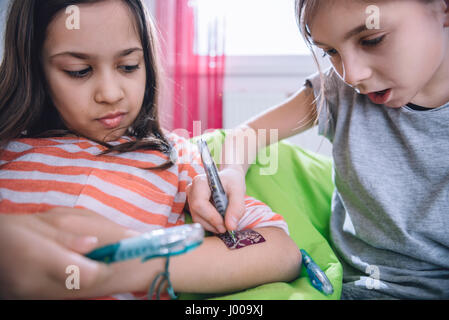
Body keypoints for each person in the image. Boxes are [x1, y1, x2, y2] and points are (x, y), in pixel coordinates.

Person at [0, 0, 301, 299]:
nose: (110, 93)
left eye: (129, 66)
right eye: (79, 71)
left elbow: (279, 249)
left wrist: (132, 269)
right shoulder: (8, 147)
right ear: (34, 68)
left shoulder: (175, 157)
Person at [187, 0, 449, 299]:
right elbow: (248, 134)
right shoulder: (340, 93)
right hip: (342, 284)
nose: (351, 74)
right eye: (331, 52)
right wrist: (231, 171)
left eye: (372, 40)